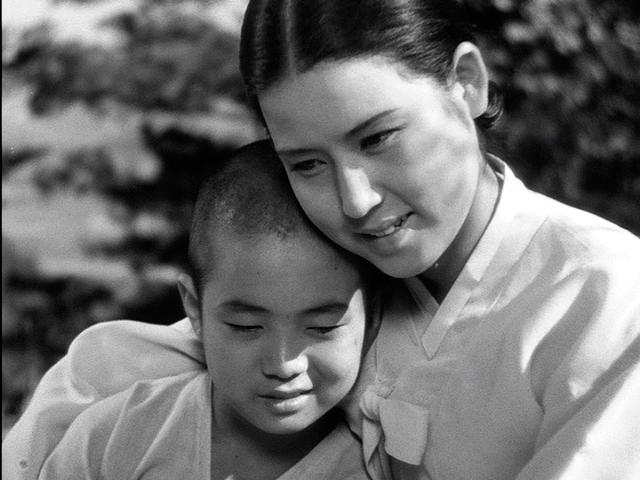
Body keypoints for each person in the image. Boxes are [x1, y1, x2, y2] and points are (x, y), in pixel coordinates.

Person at [4, 1, 640, 479]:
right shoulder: (340, 262)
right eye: (306, 162)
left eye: (379, 138)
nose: (354, 200)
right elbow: (143, 357)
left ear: (466, 83)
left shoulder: (605, 301)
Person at [30, 140, 375, 479]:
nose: (284, 364)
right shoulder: (114, 439)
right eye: (246, 326)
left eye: (323, 327)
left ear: (372, 314)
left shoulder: (382, 466)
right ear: (194, 309)